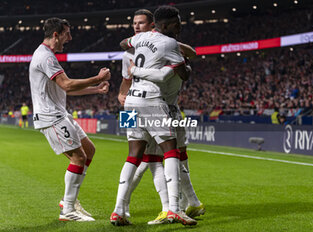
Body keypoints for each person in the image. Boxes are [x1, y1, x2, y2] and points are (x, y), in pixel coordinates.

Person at [111, 5, 196, 226]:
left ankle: (119, 209)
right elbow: (184, 73)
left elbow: (125, 56)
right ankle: (174, 209)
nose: (136, 26)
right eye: (134, 24)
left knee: (136, 155)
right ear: (163, 25)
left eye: (140, 23)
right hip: (152, 102)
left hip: (130, 103)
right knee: (170, 150)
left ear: (150, 25)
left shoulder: (134, 45)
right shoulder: (168, 44)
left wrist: (122, 92)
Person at [29, 17, 110, 222]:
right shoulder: (45, 57)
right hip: (51, 117)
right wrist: (97, 78)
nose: (70, 38)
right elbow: (67, 85)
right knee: (79, 157)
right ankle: (68, 210)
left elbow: (65, 91)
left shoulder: (49, 56)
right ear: (56, 34)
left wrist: (95, 89)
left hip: (60, 113)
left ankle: (69, 202)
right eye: (67, 33)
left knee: (89, 150)